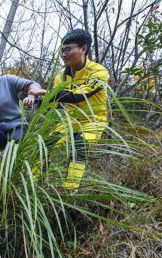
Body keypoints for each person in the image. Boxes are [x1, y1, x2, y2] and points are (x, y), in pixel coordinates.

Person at [44, 29, 109, 191]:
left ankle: (70, 190)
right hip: (69, 121)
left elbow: (78, 96)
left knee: (80, 144)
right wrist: (37, 100)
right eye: (62, 50)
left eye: (68, 49)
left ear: (84, 49)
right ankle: (35, 183)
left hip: (93, 121)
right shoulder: (61, 75)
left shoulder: (98, 72)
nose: (64, 54)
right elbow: (53, 103)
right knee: (47, 144)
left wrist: (48, 94)